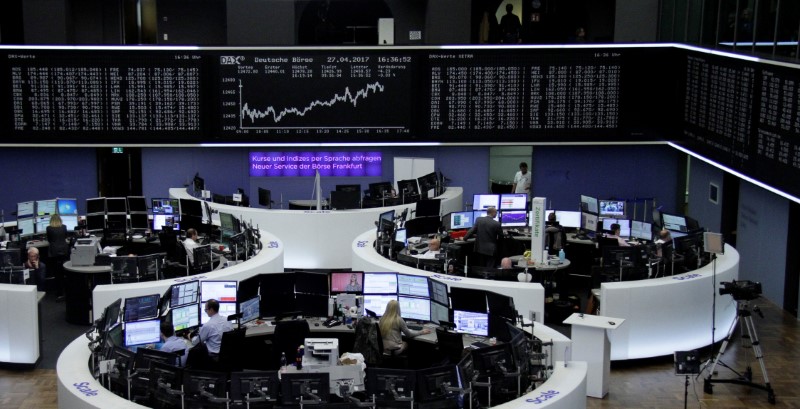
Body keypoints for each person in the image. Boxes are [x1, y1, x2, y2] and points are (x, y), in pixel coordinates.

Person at [46, 214, 69, 299]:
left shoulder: (49, 228)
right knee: (64, 271)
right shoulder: (64, 227)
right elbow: (65, 237)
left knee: (57, 273)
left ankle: (59, 292)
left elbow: (49, 240)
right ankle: (66, 290)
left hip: (54, 252)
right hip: (64, 251)